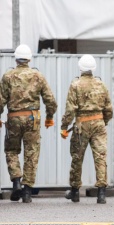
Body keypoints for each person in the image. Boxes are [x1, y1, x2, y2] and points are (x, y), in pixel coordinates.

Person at [0, 44, 58, 203]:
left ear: (16, 58)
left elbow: (0, 100)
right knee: (31, 153)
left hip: (13, 118)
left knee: (11, 150)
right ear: (30, 58)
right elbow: (51, 101)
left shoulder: (8, 76)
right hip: (33, 119)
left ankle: (16, 181)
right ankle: (26, 192)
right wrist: (49, 117)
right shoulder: (38, 76)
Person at [60, 54, 113, 204]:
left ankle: (75, 192)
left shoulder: (75, 85)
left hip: (81, 125)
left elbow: (70, 109)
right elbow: (109, 109)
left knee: (77, 158)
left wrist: (64, 127)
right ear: (93, 68)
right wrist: (104, 122)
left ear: (80, 68)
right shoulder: (101, 85)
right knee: (100, 157)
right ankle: (101, 193)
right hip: (98, 124)